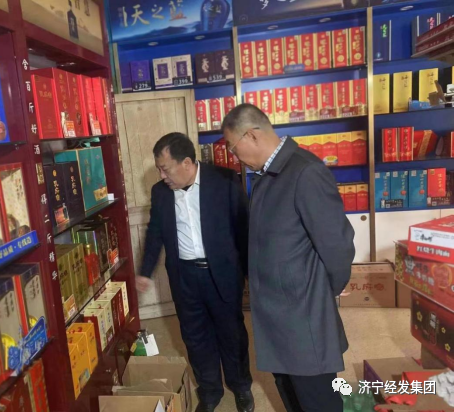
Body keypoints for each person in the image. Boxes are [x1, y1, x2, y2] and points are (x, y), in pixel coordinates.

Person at [222, 104, 355, 412]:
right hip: (277, 314)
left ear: (251, 135)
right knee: (290, 393)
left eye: (232, 146)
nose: (233, 154)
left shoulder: (305, 172)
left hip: (302, 316)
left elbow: (337, 245)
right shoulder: (266, 175)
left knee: (317, 399)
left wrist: (322, 292)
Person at [137, 133, 254, 412]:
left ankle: (240, 387)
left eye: (165, 168)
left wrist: (252, 275)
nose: (162, 175)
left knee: (232, 334)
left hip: (222, 273)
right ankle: (210, 391)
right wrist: (145, 271)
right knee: (195, 336)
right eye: (159, 169)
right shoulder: (160, 192)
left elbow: (244, 231)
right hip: (184, 277)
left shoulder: (225, 181)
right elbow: (155, 233)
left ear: (187, 163)